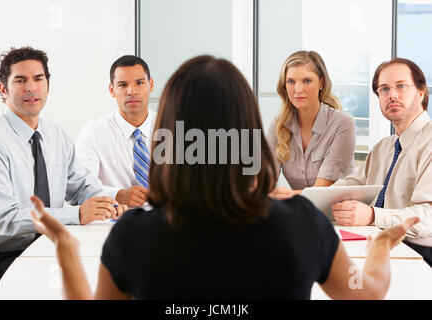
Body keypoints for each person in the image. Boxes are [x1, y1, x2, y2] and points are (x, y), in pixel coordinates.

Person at [31, 55, 419, 299]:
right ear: (247, 131)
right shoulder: (302, 225)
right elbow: (366, 294)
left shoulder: (134, 234)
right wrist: (382, 247)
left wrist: (65, 248)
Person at [0, 47, 129, 294]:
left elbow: (82, 186)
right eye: (21, 80)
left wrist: (109, 204)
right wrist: (75, 215)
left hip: (47, 247)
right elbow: (5, 220)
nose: (31, 87)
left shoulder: (55, 135)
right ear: (3, 89)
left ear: (47, 85)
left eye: (38, 79)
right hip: (0, 256)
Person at [331, 57, 432, 267]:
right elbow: (352, 185)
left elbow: (429, 218)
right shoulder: (383, 148)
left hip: (421, 253)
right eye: (384, 89)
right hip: (382, 244)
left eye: (401, 86)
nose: (392, 95)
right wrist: (305, 198)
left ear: (421, 92)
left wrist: (372, 215)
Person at [267, 51, 355, 199]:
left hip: (342, 214)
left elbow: (323, 188)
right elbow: (265, 178)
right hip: (302, 211)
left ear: (321, 83)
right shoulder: (278, 125)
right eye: (291, 82)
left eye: (307, 81)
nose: (298, 89)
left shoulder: (343, 124)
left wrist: (285, 195)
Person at [76, 55, 156, 208]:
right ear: (112, 90)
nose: (131, 91)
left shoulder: (171, 127)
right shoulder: (93, 132)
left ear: (150, 85)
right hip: (115, 224)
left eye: (139, 83)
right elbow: (81, 188)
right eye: (123, 85)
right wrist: (118, 195)